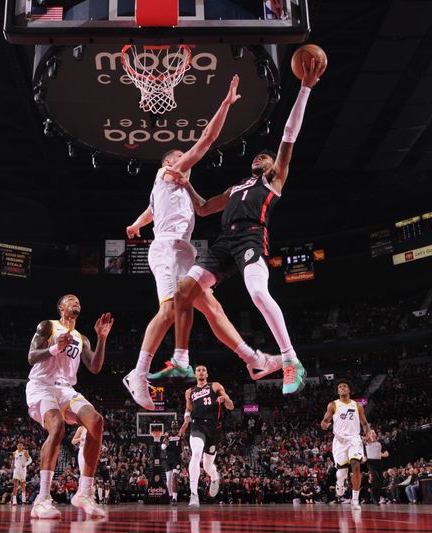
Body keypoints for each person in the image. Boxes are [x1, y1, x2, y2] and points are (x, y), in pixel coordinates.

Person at [166, 59, 326, 395]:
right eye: (258, 157)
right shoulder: (237, 187)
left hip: (252, 236)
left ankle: (290, 359)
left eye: (264, 157)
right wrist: (185, 183)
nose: (260, 157)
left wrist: (306, 89)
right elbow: (205, 207)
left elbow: (288, 136)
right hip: (224, 242)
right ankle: (193, 358)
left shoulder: (274, 180)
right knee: (184, 290)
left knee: (256, 292)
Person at [124, 75, 281, 408]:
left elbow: (152, 210)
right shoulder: (167, 175)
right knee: (168, 310)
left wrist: (136, 225)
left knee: (212, 307)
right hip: (167, 249)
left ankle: (253, 359)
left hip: (183, 251)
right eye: (180, 160)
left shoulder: (172, 190)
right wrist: (225, 105)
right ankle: (137, 374)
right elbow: (206, 140)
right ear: (169, 163)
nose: (187, 165)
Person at [25, 295, 113, 519]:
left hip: (66, 390)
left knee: (96, 421)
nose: (76, 302)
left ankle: (84, 493)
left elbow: (94, 367)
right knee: (57, 427)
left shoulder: (81, 338)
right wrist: (55, 348)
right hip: (42, 386)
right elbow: (31, 357)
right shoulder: (48, 326)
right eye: (70, 300)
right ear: (61, 307)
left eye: (78, 301)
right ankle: (42, 499)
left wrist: (101, 338)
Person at [178, 365, 234, 508]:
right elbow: (188, 409)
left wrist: (225, 399)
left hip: (213, 428)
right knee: (196, 454)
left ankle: (214, 477)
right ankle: (194, 494)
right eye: (198, 370)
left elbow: (231, 406)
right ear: (195, 374)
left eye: (203, 370)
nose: (201, 372)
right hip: (197, 426)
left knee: (208, 465)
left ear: (207, 374)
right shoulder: (189, 391)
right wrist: (185, 422)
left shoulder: (215, 386)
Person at [321, 379, 371, 510]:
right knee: (342, 472)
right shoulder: (333, 405)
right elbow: (324, 421)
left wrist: (368, 434)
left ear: (349, 390)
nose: (342, 388)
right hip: (339, 441)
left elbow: (365, 423)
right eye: (340, 387)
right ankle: (340, 482)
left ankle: (355, 499)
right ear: (338, 391)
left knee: (355, 465)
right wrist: (324, 425)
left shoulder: (357, 405)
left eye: (344, 386)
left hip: (354, 439)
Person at [160, 420, 183, 505]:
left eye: (176, 423)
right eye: (173, 423)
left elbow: (184, 443)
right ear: (171, 425)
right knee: (169, 479)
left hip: (176, 458)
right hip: (168, 459)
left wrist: (186, 449)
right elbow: (162, 447)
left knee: (175, 477)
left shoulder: (180, 434)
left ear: (177, 425)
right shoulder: (167, 434)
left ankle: (174, 497)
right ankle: (170, 495)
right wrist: (165, 444)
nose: (174, 424)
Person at [364, 429, 389, 504]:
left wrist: (382, 454)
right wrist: (363, 458)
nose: (372, 434)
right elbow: (363, 455)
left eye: (373, 432)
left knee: (380, 480)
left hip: (378, 462)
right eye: (370, 433)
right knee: (375, 477)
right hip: (370, 462)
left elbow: (387, 453)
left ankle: (377, 497)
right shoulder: (366, 444)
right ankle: (374, 497)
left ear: (375, 434)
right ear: (368, 435)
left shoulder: (380, 443)